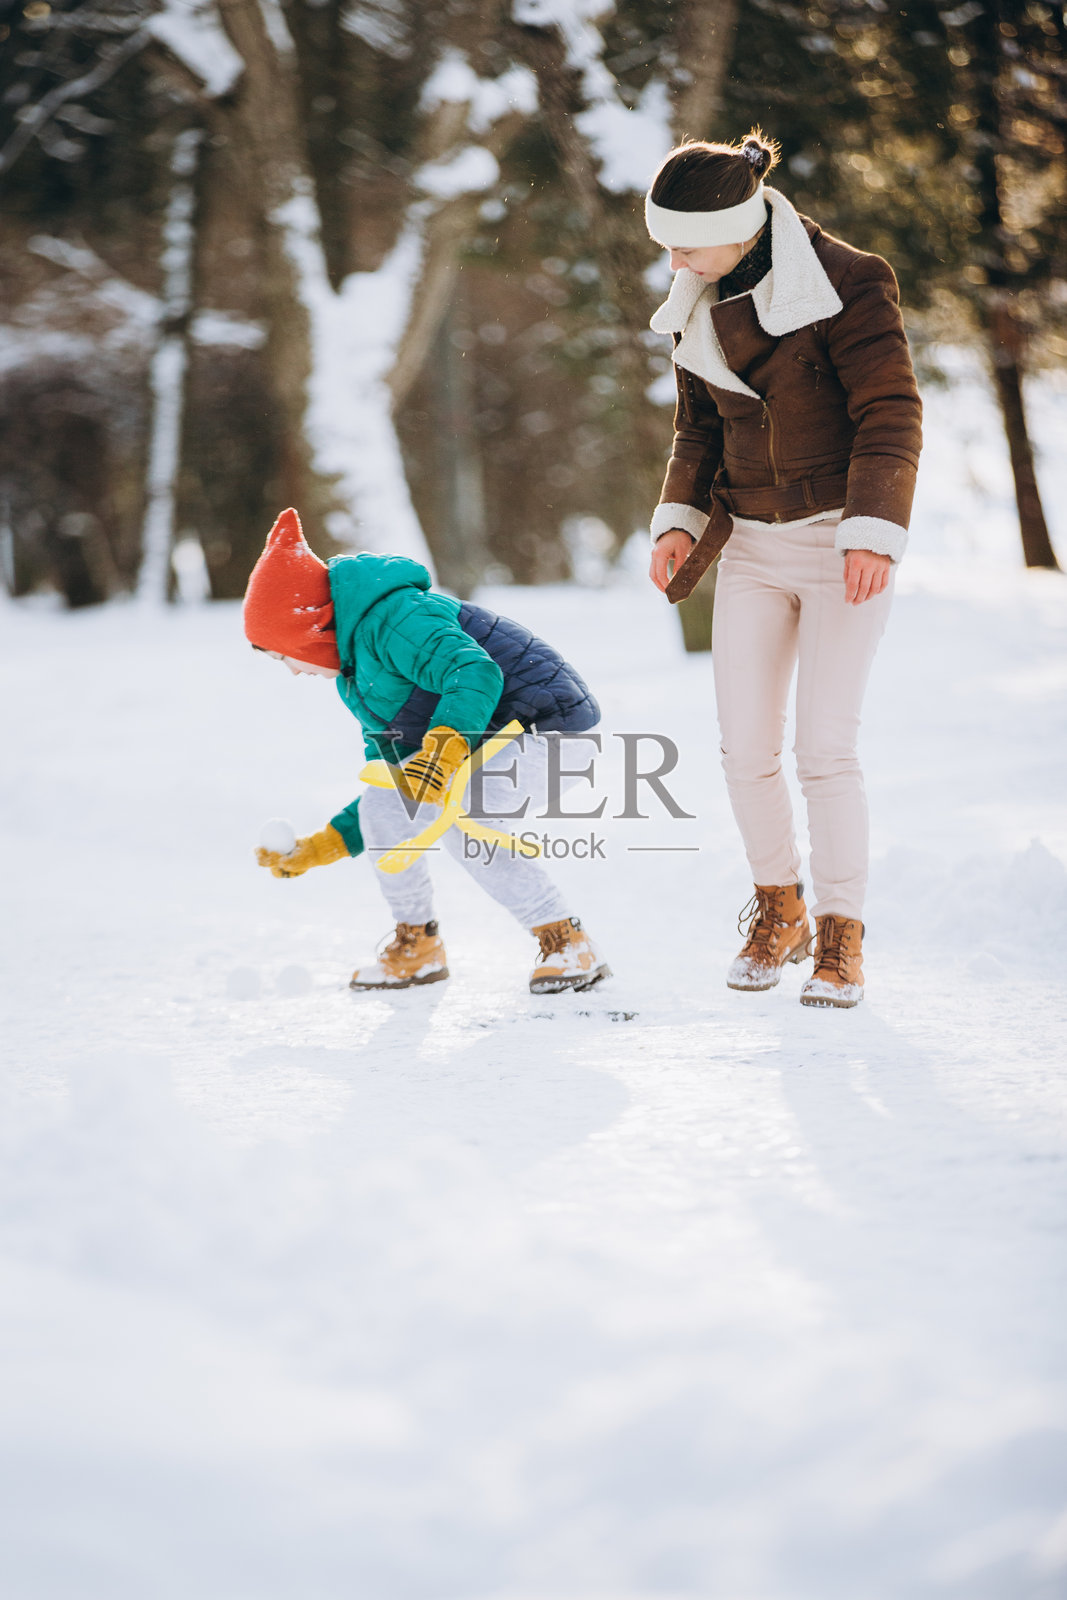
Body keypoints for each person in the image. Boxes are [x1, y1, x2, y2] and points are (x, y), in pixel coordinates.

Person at [645, 130, 922, 1008]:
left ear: (738, 223)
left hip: (844, 541)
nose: (673, 259)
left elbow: (889, 410)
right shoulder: (696, 292)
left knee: (824, 751)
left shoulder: (847, 280)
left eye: (684, 241)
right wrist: (679, 523)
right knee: (743, 751)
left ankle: (841, 936)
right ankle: (780, 909)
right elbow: (698, 425)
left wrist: (875, 530)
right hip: (755, 546)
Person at [244, 509, 610, 995]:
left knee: (462, 817)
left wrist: (442, 754)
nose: (291, 671)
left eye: (281, 656)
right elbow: (393, 783)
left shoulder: (397, 615)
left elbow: (473, 673)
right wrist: (323, 846)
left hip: (551, 729)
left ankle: (567, 942)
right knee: (386, 801)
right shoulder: (356, 680)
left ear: (307, 631)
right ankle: (417, 947)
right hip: (489, 745)